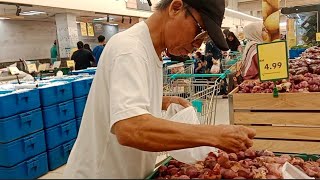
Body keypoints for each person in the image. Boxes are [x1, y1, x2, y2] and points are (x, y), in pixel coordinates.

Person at [64, 0, 256, 178]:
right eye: (200, 32)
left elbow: (119, 101)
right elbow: (129, 128)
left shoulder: (150, 50)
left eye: (204, 38)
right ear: (176, 8)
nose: (198, 44)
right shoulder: (130, 49)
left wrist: (162, 100)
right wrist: (214, 135)